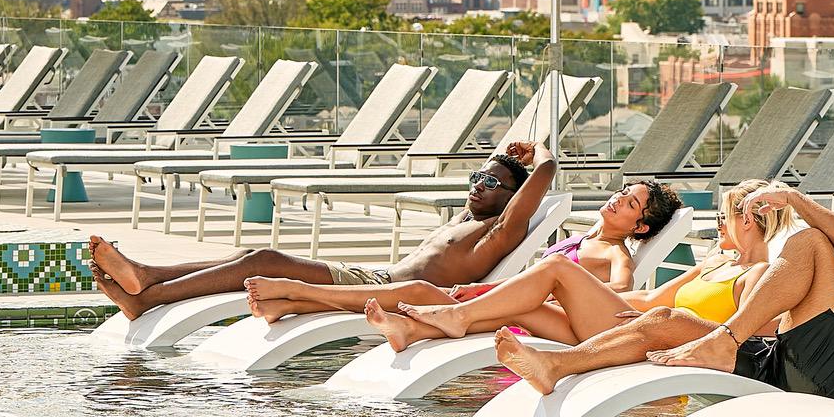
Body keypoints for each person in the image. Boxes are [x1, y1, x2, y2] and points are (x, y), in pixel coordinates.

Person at [493, 163, 834, 403]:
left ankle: (725, 339)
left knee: (814, 241)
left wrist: (796, 200)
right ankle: (557, 366)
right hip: (788, 360)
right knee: (664, 319)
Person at [87, 141, 558, 322]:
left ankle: (147, 295)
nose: (478, 186)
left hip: (390, 291)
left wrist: (537, 154)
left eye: (492, 183)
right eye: (476, 177)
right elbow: (500, 178)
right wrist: (502, 160)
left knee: (264, 261)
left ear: (510, 200)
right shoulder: (468, 219)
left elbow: (546, 173)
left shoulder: (497, 232)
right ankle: (148, 277)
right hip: (377, 276)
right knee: (254, 251)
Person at [362, 178, 785, 352]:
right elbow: (651, 297)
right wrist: (582, 302)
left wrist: (579, 292)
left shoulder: (760, 274)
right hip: (623, 322)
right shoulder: (714, 264)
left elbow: (753, 335)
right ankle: (413, 329)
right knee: (522, 307)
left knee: (559, 271)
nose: (717, 225)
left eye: (723, 217)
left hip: (647, 340)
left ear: (747, 220)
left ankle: (455, 316)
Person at [245, 178, 687, 324]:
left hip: (521, 317)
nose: (617, 200)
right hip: (504, 302)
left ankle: (295, 291)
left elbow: (621, 297)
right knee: (417, 292)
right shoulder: (588, 237)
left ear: (640, 226)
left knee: (417, 290)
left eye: (630, 203)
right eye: (622, 192)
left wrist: (555, 295)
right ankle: (295, 300)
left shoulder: (616, 256)